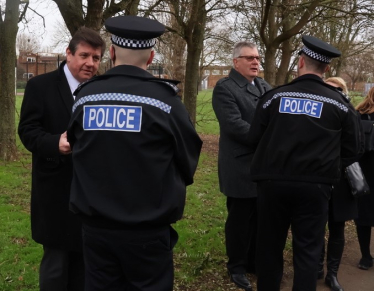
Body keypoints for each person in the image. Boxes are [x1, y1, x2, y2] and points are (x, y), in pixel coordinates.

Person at [66, 15, 202, 291]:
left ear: (112, 52)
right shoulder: (165, 101)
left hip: (96, 228)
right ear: (151, 57)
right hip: (147, 230)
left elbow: (76, 146)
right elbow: (188, 159)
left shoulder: (85, 97)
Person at [248, 35, 360, 291]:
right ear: (327, 68)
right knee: (308, 250)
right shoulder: (340, 105)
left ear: (300, 62)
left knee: (269, 247)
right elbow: (353, 150)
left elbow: (253, 137)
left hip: (272, 184)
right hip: (315, 188)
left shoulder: (273, 98)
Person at [18, 27, 105, 291]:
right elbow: (27, 131)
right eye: (84, 55)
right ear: (68, 54)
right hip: (55, 190)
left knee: (84, 265)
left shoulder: (102, 90)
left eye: (97, 58)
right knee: (56, 267)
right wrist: (54, 143)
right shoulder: (39, 86)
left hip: (91, 192)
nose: (90, 63)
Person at [212, 41, 271, 291]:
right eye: (250, 58)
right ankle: (236, 266)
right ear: (236, 62)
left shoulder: (265, 86)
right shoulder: (225, 89)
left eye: (257, 58)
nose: (256, 62)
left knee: (260, 217)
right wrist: (270, 138)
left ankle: (254, 261)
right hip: (240, 166)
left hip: (264, 166)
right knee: (239, 220)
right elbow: (234, 125)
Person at [318, 77, 360, 291]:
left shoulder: (350, 114)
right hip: (318, 179)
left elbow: (355, 148)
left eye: (336, 90)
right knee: (315, 226)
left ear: (343, 94)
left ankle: (332, 273)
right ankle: (317, 266)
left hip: (341, 180)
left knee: (337, 228)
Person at [355, 87, 374, 271]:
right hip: (366, 173)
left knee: (364, 217)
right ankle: (366, 256)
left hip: (364, 174)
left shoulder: (359, 114)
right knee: (364, 216)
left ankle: (365, 257)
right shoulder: (360, 114)